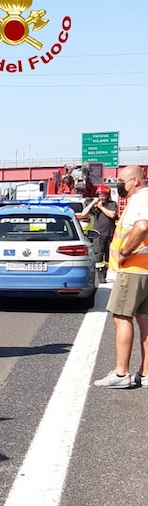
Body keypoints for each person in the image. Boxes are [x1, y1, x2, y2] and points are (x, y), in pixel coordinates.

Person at [94, 166, 148, 388]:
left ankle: (121, 373)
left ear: (135, 181)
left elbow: (142, 226)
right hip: (145, 270)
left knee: (121, 316)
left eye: (121, 181)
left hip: (133, 269)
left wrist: (125, 251)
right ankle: (145, 374)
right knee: (145, 320)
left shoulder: (139, 200)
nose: (118, 185)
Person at [80, 185, 118, 282]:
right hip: (98, 234)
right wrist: (93, 202)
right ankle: (99, 274)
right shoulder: (95, 206)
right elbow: (84, 214)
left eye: (103, 195)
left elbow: (112, 215)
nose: (101, 197)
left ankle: (104, 272)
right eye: (100, 195)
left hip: (109, 234)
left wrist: (101, 207)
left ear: (107, 195)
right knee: (99, 254)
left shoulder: (112, 204)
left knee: (107, 255)